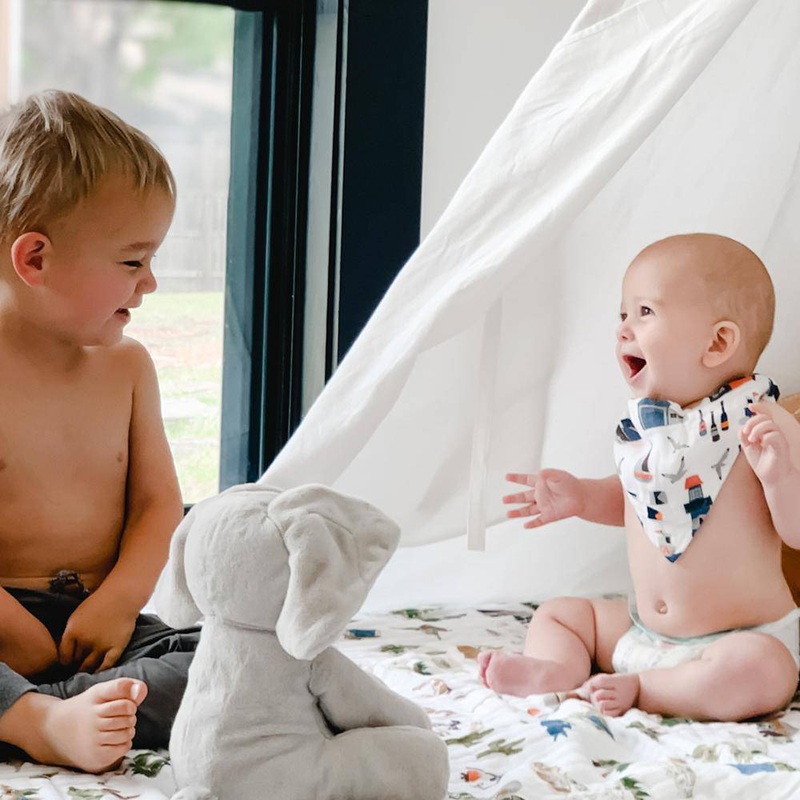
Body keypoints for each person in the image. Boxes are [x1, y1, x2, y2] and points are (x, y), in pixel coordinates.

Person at [479, 233, 800, 722]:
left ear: (717, 343)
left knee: (765, 671)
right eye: (622, 314)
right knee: (562, 614)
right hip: (642, 633)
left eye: (644, 312)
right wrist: (583, 497)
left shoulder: (765, 424)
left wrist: (779, 478)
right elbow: (643, 508)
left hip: (739, 640)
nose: (623, 329)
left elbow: (796, 532)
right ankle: (553, 669)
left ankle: (649, 691)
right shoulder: (651, 432)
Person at [0, 90, 199, 772]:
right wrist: (13, 630)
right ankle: (40, 717)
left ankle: (48, 713)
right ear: (36, 260)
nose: (150, 284)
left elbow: (157, 506)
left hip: (98, 629)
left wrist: (119, 602)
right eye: (131, 260)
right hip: (3, 628)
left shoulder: (128, 368)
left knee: (225, 662)